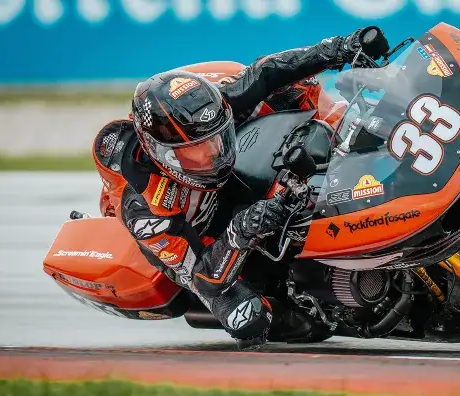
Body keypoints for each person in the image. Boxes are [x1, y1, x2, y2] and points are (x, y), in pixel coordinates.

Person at [91, 27, 390, 350]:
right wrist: (241, 230)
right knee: (255, 319)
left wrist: (339, 48)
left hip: (231, 185)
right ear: (164, 155)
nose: (213, 156)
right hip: (202, 241)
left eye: (217, 140)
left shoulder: (213, 116)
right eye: (196, 152)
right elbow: (204, 277)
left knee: (293, 92)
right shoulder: (147, 208)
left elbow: (266, 73)